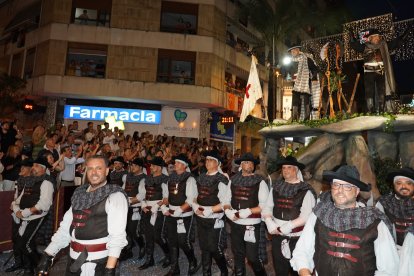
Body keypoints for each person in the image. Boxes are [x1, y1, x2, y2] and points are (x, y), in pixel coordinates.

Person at [291, 165, 399, 276]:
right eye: (336, 185)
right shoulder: (319, 214)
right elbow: (302, 251)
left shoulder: (374, 220)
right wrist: (305, 272)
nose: (340, 191)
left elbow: (389, 268)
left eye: (347, 186)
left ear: (357, 191)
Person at [37, 155, 128, 275]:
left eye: (98, 168)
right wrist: (48, 255)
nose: (94, 172)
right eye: (90, 168)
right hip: (73, 259)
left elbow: (117, 237)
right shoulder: (79, 193)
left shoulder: (115, 196)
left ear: (106, 171)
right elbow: (65, 229)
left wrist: (109, 269)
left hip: (98, 262)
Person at [262, 156, 316, 276]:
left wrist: (289, 225)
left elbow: (307, 216)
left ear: (296, 170)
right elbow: (267, 207)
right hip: (277, 236)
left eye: (289, 167)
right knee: (280, 270)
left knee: (298, 270)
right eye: (284, 168)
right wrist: (269, 222)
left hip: (298, 239)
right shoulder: (276, 187)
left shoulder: (305, 190)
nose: (286, 170)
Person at [224, 152, 269, 276]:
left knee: (252, 257)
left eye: (250, 162)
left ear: (254, 166)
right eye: (244, 162)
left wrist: (247, 211)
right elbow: (226, 200)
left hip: (252, 225)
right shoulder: (233, 180)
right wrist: (228, 211)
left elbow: (264, 205)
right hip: (235, 223)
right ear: (241, 165)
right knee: (238, 254)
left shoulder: (260, 182)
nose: (247, 165)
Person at [9, 156, 54, 275]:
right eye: (33, 165)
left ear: (43, 169)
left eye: (36, 166)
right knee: (21, 243)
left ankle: (41, 267)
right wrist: (15, 207)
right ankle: (29, 269)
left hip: (37, 217)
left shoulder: (47, 183)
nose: (33, 168)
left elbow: (44, 205)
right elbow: (18, 199)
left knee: (26, 244)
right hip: (25, 217)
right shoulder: (30, 181)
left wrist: (25, 212)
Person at [350, 28, 408, 113]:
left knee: (381, 91)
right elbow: (355, 45)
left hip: (380, 72)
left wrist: (404, 35)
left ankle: (381, 110)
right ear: (370, 38)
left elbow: (395, 43)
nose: (377, 39)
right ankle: (370, 110)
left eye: (378, 37)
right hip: (369, 73)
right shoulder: (364, 46)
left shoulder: (383, 45)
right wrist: (352, 35)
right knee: (369, 91)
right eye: (375, 37)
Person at [161, 153, 199, 276]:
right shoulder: (170, 178)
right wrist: (162, 206)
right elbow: (166, 197)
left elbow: (191, 199)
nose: (174, 165)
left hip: (184, 215)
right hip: (171, 213)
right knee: (172, 240)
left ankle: (192, 261)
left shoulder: (190, 179)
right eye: (175, 162)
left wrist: (180, 210)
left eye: (177, 163)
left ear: (184, 165)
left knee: (183, 241)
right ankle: (174, 268)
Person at [192, 151, 229, 276]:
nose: (208, 162)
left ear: (217, 163)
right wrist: (195, 206)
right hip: (200, 218)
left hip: (215, 219)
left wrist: (210, 210)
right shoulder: (201, 177)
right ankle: (206, 273)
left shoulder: (222, 178)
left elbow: (225, 202)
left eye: (211, 160)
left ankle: (224, 271)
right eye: (207, 160)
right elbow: (195, 196)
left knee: (214, 248)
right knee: (204, 248)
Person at [139, 156, 170, 270]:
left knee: (158, 236)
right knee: (148, 236)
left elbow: (167, 198)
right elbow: (142, 195)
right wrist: (143, 205)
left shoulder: (165, 179)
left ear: (158, 167)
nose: (150, 167)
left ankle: (168, 255)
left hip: (159, 211)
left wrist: (156, 206)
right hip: (147, 210)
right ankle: (149, 259)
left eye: (152, 165)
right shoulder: (147, 179)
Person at [376, 167, 414, 247]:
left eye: (408, 183)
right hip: (391, 252)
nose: (404, 186)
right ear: (393, 185)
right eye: (399, 183)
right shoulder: (384, 204)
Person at [118, 157, 147, 261]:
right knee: (125, 229)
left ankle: (142, 245)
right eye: (131, 165)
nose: (132, 167)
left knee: (133, 230)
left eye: (134, 165)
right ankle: (128, 249)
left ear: (140, 167)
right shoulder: (128, 177)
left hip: (136, 207)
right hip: (125, 207)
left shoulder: (143, 178)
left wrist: (128, 201)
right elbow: (123, 189)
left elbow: (142, 195)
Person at [288, 45, 320, 121]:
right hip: (296, 84)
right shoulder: (291, 61)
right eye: (291, 52)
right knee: (295, 101)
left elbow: (314, 68)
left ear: (298, 50)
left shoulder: (306, 58)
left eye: (294, 51)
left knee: (306, 100)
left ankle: (306, 119)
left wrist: (314, 77)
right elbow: (288, 71)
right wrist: (288, 76)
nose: (292, 53)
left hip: (305, 82)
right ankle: (295, 118)